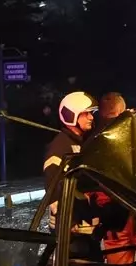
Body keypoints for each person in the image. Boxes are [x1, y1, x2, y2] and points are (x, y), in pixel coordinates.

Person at [42, 91, 97, 234]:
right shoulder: (60, 146)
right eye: (86, 113)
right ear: (72, 115)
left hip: (84, 223)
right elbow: (52, 180)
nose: (91, 117)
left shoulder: (82, 142)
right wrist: (65, 218)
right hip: (71, 229)